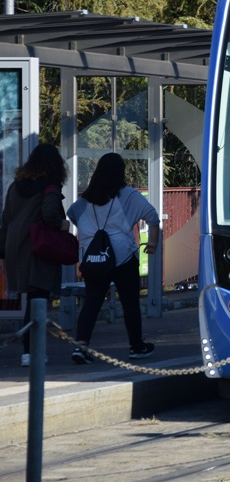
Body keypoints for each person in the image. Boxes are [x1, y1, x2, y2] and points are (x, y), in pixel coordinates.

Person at [67, 153, 160, 364]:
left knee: (91, 303)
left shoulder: (86, 199)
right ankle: (136, 347)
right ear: (121, 172)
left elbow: (71, 214)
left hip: (94, 258)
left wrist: (91, 230)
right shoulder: (128, 195)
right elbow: (152, 216)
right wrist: (152, 243)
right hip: (123, 256)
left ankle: (80, 348)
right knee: (130, 303)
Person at [0, 143, 69, 367]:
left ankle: (29, 350)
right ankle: (31, 351)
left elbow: (5, 219)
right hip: (38, 246)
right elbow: (49, 213)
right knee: (37, 298)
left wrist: (3, 251)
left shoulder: (15, 186)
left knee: (31, 297)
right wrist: (61, 225)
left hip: (15, 246)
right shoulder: (50, 186)